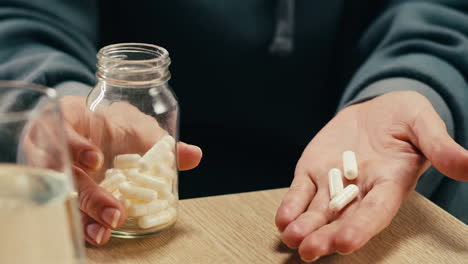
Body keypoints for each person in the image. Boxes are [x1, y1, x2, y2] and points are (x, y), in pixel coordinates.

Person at [1, 0, 467, 260]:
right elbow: (23, 12)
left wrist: (413, 83)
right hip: (147, 209)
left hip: (362, 165)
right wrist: (55, 98)